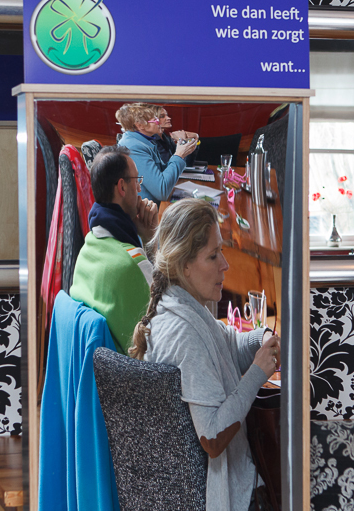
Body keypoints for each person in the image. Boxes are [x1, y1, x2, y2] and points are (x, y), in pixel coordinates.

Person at [129, 198, 279, 511]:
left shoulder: (182, 304)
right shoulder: (183, 333)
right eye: (213, 256)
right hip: (231, 497)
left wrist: (261, 337)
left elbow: (228, 345)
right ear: (184, 264)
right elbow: (212, 437)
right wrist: (257, 374)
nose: (225, 264)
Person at [70, 145, 157, 354]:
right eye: (137, 181)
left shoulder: (87, 247)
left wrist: (140, 240)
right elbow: (167, 324)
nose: (139, 190)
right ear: (122, 187)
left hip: (99, 376)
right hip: (134, 378)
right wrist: (152, 237)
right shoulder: (133, 262)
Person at [116, 103, 196, 203]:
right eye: (155, 120)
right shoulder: (134, 147)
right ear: (140, 125)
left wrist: (181, 154)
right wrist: (178, 155)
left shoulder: (144, 141)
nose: (159, 122)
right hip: (143, 213)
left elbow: (162, 173)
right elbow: (161, 191)